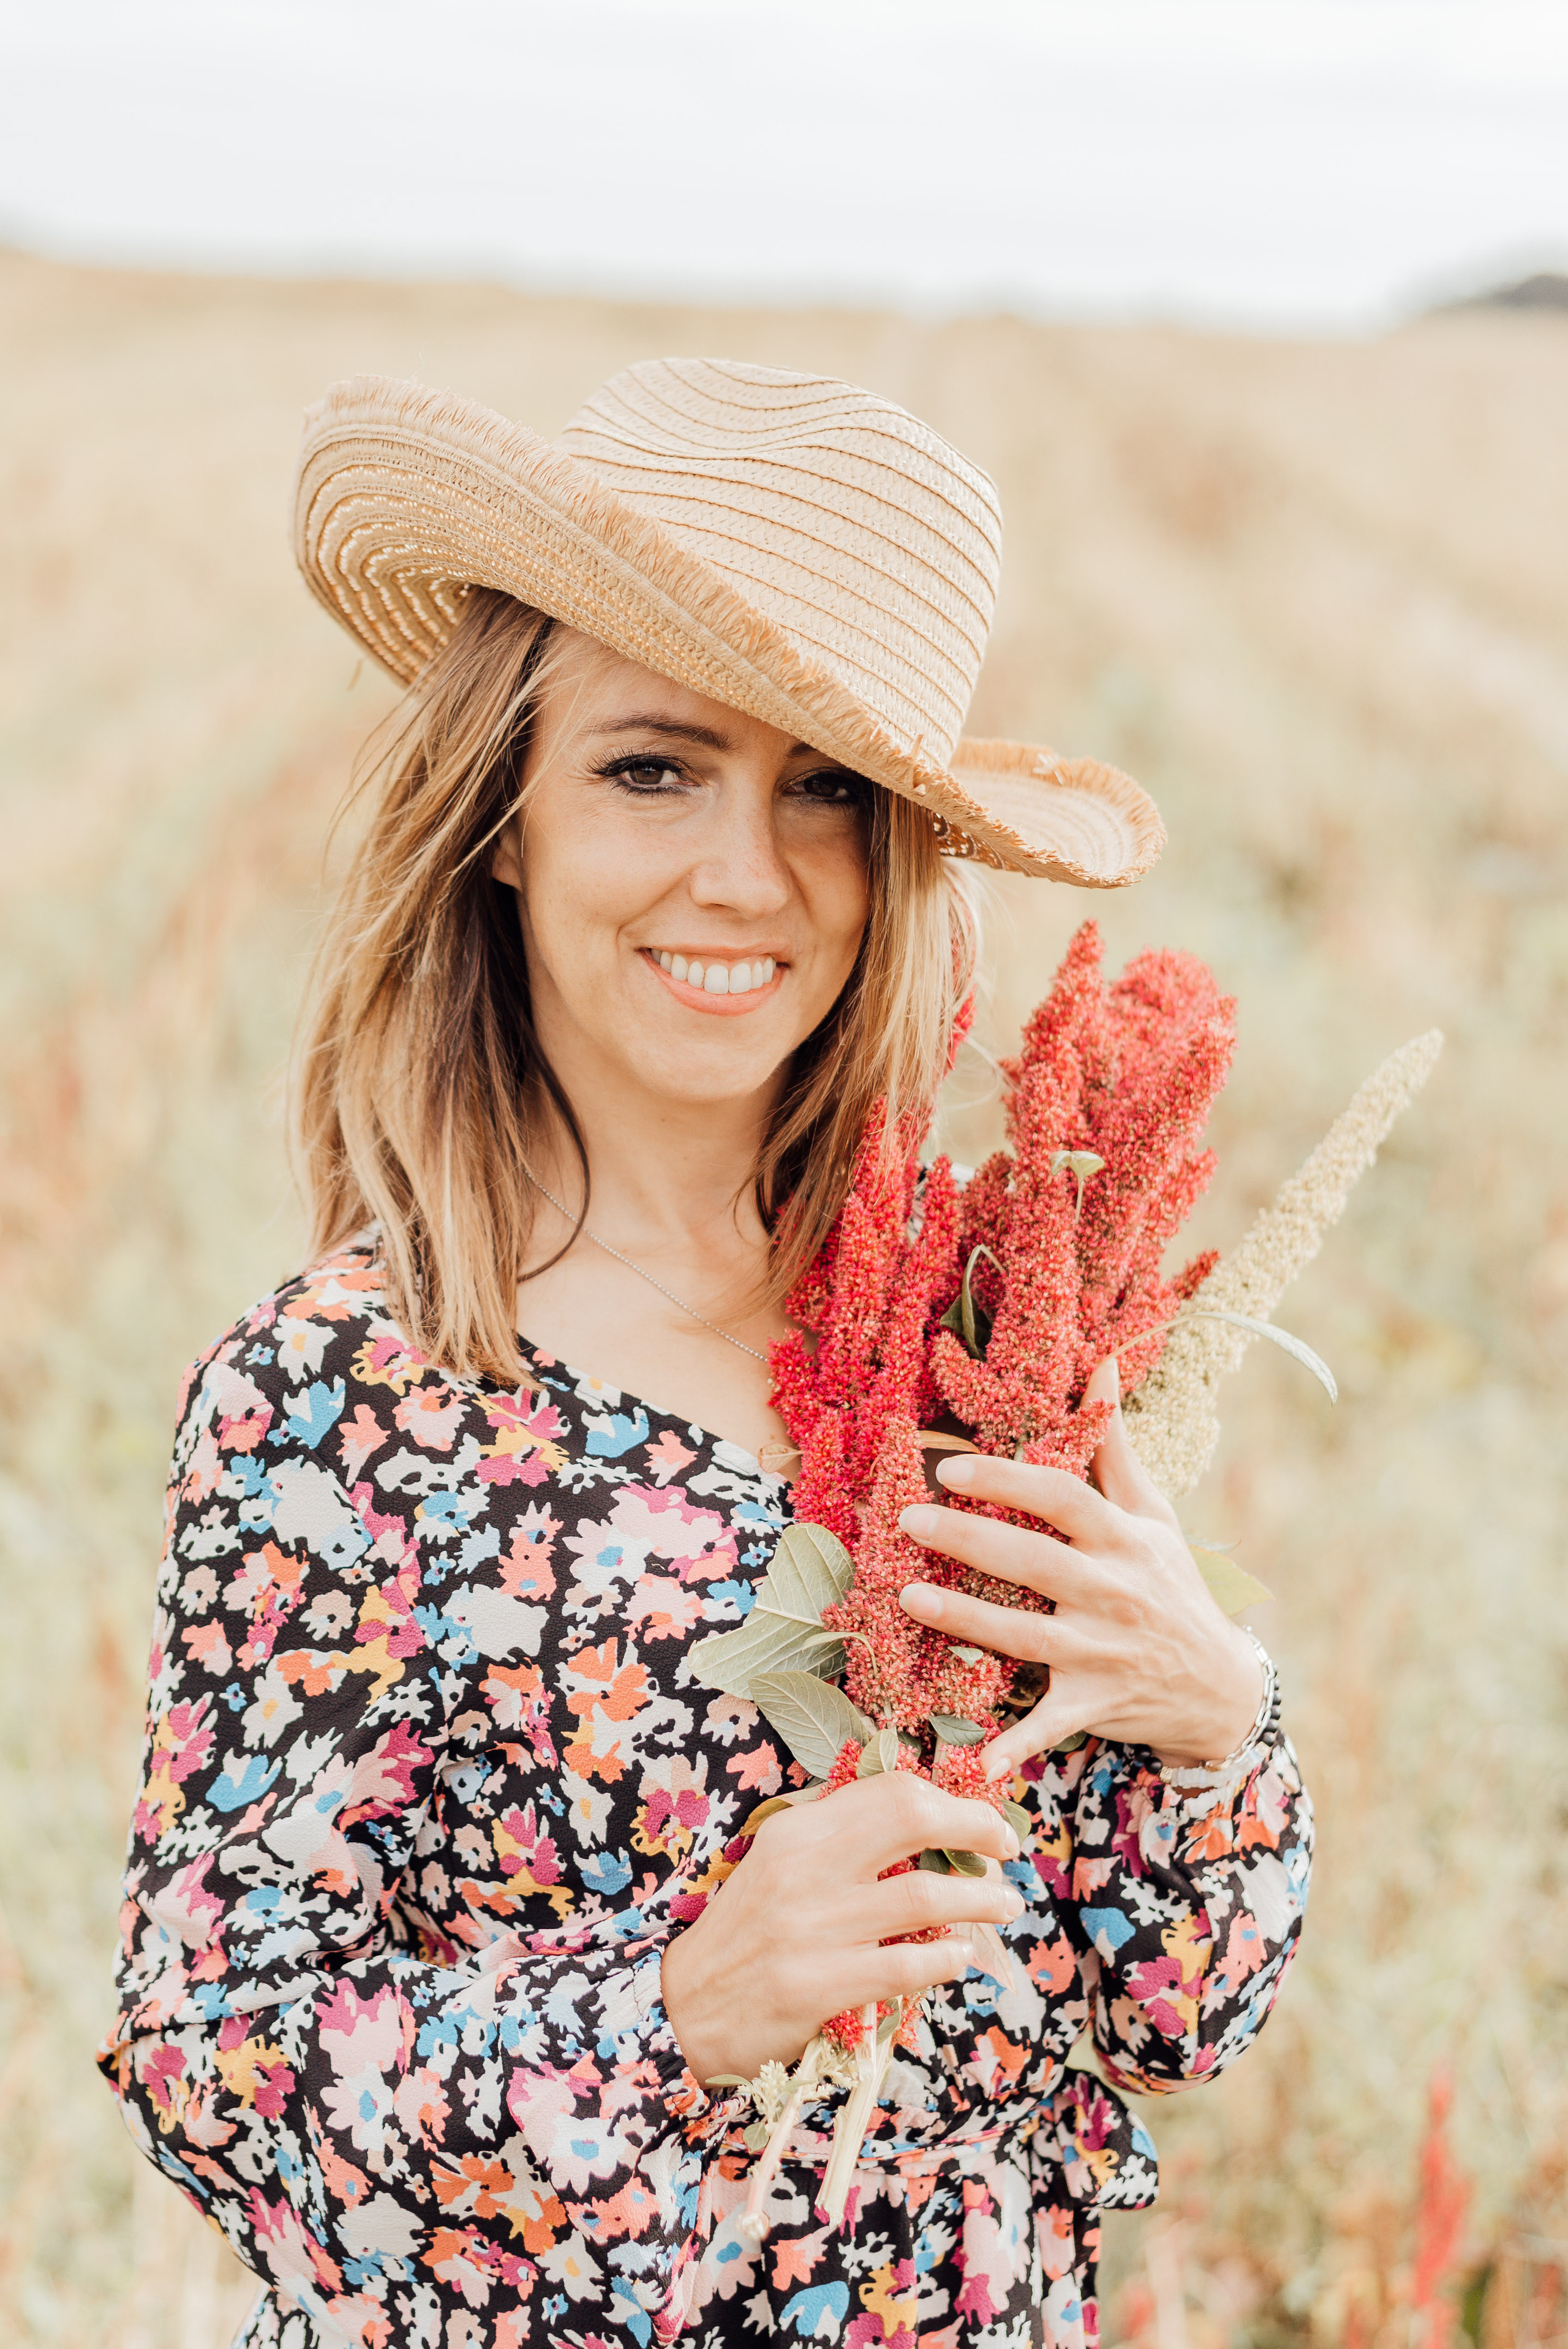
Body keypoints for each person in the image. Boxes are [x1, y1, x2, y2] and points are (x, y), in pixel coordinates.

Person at [100, 360, 1311, 2348]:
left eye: (822, 786)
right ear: (502, 818)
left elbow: (1167, 2008)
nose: (746, 874)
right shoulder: (341, 1397)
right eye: (652, 767)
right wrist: (671, 2014)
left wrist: (1212, 1721)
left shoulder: (981, 1340)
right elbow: (211, 2056)